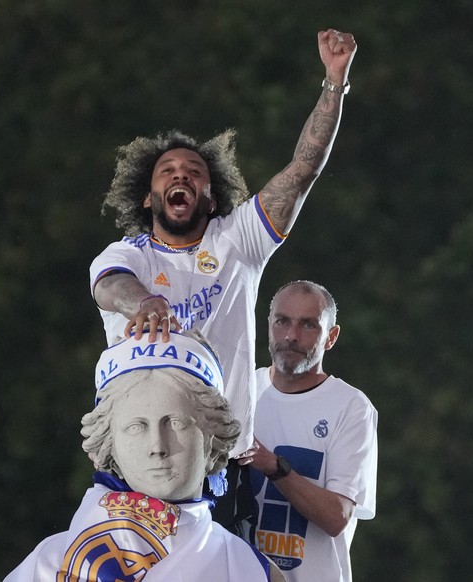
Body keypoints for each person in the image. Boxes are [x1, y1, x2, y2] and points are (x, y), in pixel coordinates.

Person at [89, 29, 358, 524]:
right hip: (136, 458)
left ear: (211, 198)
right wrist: (142, 304)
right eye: (166, 171)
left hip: (218, 464)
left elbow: (302, 170)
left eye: (193, 172)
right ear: (147, 197)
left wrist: (334, 82)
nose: (180, 176)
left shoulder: (237, 242)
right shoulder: (127, 253)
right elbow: (109, 286)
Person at [4, 331, 285, 581]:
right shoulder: (46, 567)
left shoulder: (252, 571)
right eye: (136, 427)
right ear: (108, 444)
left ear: (214, 439)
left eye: (176, 423)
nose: (157, 446)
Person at [241, 281, 378, 582]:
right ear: (268, 325)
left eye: (308, 325)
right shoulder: (239, 392)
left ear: (331, 337)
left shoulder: (352, 407)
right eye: (282, 321)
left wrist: (274, 467)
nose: (291, 336)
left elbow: (336, 518)